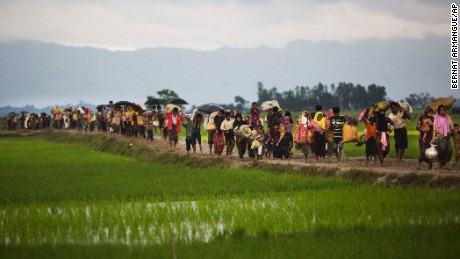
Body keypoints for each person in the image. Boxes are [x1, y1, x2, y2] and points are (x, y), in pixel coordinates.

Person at [433, 104, 454, 169]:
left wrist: (453, 133)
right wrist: (433, 138)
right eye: (441, 110)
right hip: (440, 136)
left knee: (450, 149)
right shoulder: (436, 118)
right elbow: (434, 129)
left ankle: (446, 163)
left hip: (447, 135)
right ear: (438, 111)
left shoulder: (448, 118)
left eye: (443, 110)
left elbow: (452, 127)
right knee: (440, 150)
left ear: (445, 110)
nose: (442, 112)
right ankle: (438, 163)